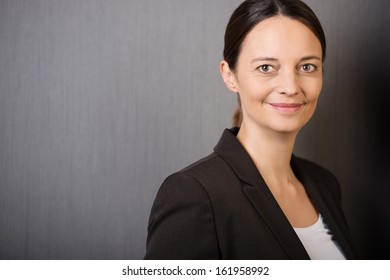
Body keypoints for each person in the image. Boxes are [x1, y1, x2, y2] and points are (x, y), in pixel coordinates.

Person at [144, 0, 356, 260]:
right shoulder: (195, 194)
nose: (290, 87)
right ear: (229, 75)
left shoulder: (325, 185)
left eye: (307, 67)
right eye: (266, 67)